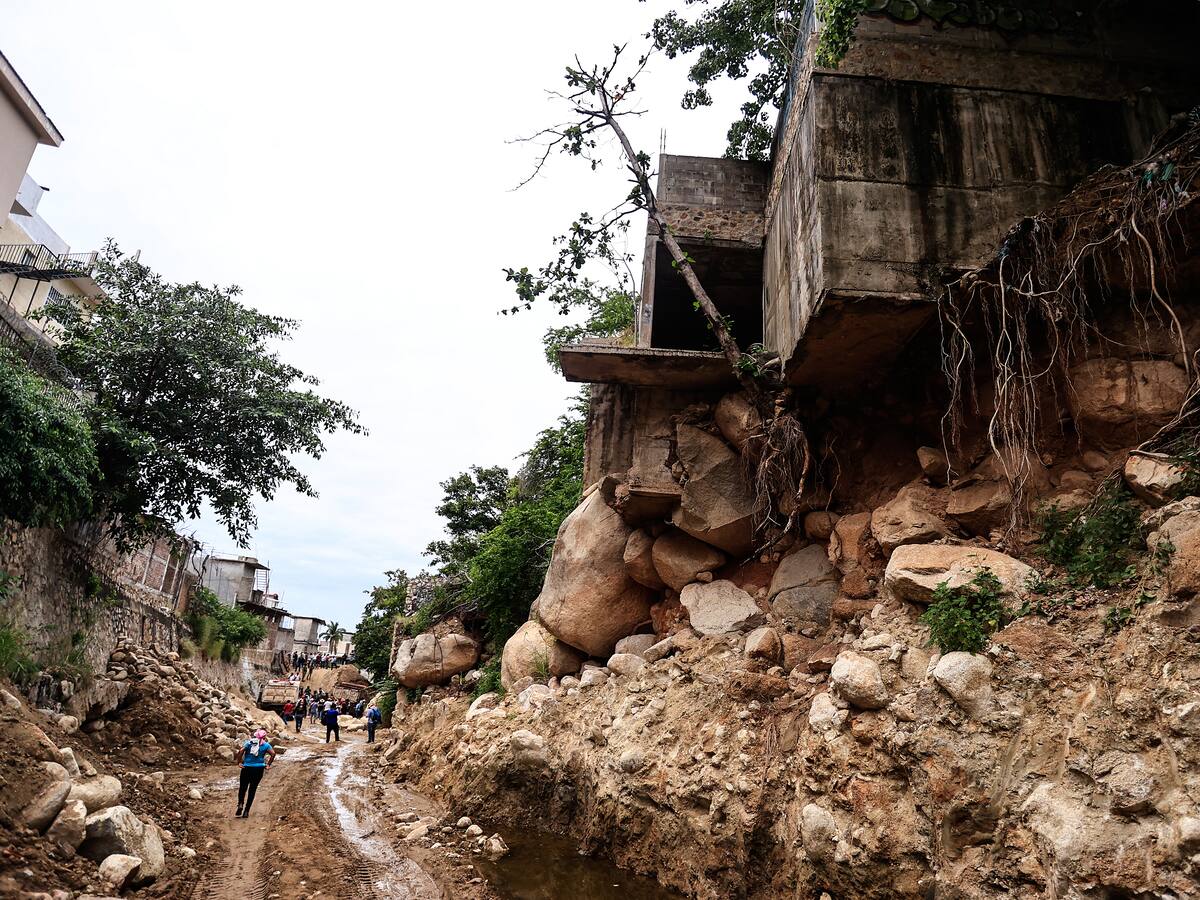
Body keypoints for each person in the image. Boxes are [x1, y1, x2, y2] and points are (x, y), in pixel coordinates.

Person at [234, 729, 276, 818]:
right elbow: (273, 754)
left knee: (243, 788)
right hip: (259, 769)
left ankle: (240, 803)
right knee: (252, 790)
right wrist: (268, 765)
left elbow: (241, 751)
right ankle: (246, 811)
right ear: (264, 737)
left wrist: (239, 762)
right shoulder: (266, 745)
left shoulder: (249, 743)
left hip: (247, 768)